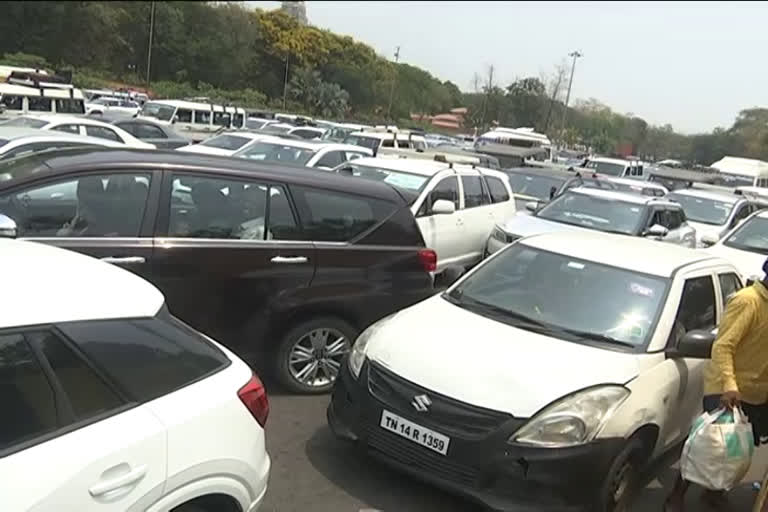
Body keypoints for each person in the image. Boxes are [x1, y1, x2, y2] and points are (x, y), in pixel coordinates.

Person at [665, 260, 768, 511]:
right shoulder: (748, 301)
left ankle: (714, 490)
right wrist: (730, 384)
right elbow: (723, 346)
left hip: (757, 391)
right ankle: (676, 495)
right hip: (727, 387)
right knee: (708, 443)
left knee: (734, 447)